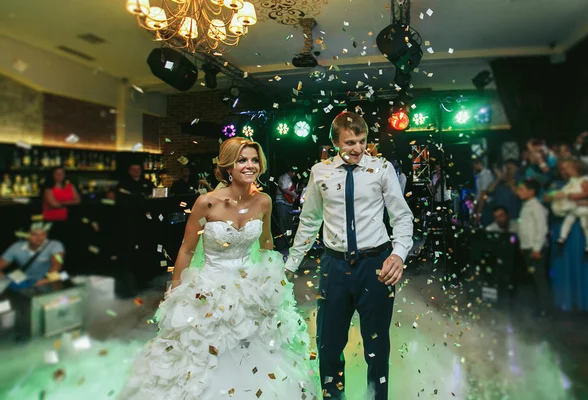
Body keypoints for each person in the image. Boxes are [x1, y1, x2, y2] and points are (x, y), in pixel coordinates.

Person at [119, 137, 318, 399]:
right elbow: (187, 249)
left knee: (258, 354)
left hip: (250, 289)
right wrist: (176, 290)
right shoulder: (207, 203)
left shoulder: (264, 202)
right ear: (227, 167)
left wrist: (273, 282)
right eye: (242, 160)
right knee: (203, 355)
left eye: (254, 160)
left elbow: (267, 243)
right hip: (210, 289)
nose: (250, 166)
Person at [285, 112, 414, 400]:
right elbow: (309, 221)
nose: (358, 149)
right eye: (350, 142)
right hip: (334, 266)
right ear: (334, 143)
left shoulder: (381, 169)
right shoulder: (320, 172)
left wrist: (398, 254)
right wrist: (291, 266)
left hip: (376, 265)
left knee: (376, 347)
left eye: (362, 141)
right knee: (328, 346)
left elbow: (402, 217)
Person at [516, 179, 553, 317]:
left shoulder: (537, 207)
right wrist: (522, 245)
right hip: (528, 247)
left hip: (535, 249)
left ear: (531, 192)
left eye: (522, 189)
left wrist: (537, 248)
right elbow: (524, 228)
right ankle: (537, 306)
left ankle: (545, 308)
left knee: (539, 279)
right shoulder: (525, 206)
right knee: (533, 278)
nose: (519, 192)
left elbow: (541, 229)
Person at [0, 223, 64, 290]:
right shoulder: (16, 247)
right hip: (24, 281)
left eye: (43, 234)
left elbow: (58, 263)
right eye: (34, 234)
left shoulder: (55, 245)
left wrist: (47, 279)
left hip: (47, 279)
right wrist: (2, 277)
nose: (39, 238)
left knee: (56, 280)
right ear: (26, 235)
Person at [553, 159, 588, 255]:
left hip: (582, 207)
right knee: (568, 221)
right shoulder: (573, 180)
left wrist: (576, 196)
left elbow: (587, 192)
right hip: (573, 207)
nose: (568, 171)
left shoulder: (584, 180)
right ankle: (562, 238)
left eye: (570, 169)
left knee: (585, 225)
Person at [275, 167, 298, 243]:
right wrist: (294, 195)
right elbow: (284, 189)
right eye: (294, 173)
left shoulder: (289, 179)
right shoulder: (285, 177)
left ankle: (287, 240)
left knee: (288, 222)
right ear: (291, 172)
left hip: (287, 203)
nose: (294, 175)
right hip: (282, 202)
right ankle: (282, 241)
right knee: (283, 222)